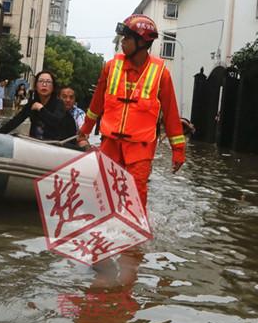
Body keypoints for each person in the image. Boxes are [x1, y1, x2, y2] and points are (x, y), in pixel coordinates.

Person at [77, 14, 186, 209]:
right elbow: (96, 104)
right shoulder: (110, 67)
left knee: (135, 195)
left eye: (127, 38)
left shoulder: (161, 74)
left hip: (140, 148)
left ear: (142, 42)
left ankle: (136, 234)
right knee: (103, 194)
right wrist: (84, 130)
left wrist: (178, 150)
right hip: (110, 143)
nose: (122, 42)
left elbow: (170, 114)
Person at [0, 71, 75, 141]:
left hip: (60, 144)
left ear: (53, 87)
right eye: (41, 81)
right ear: (36, 86)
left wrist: (40, 108)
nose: (44, 84)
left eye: (48, 82)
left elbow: (55, 122)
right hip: (36, 143)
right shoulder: (32, 104)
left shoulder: (59, 104)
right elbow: (15, 121)